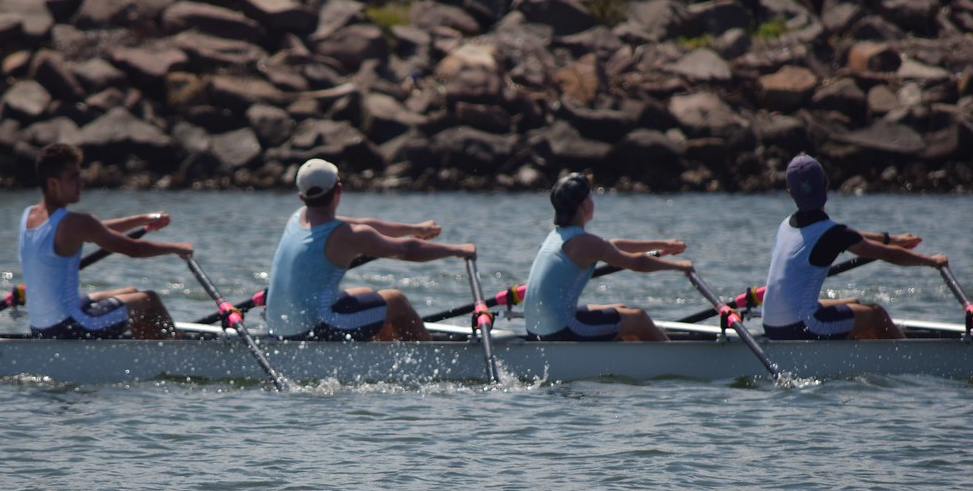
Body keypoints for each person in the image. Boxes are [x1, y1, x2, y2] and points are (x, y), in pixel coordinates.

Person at [266, 158, 476, 341]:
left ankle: (381, 352)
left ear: (302, 197)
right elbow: (407, 250)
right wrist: (458, 250)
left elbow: (361, 222)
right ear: (339, 189)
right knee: (397, 301)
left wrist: (415, 229)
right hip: (314, 329)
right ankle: (428, 362)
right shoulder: (347, 235)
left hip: (279, 326)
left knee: (366, 293)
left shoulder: (299, 217)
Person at [762, 153, 947, 340]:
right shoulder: (832, 233)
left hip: (771, 326)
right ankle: (911, 360)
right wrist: (932, 261)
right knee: (876, 314)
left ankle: (864, 353)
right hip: (802, 327)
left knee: (854, 303)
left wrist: (892, 239)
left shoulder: (786, 225)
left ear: (790, 192)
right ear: (826, 183)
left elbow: (847, 235)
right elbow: (886, 255)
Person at [19, 143, 193, 340]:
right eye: (74, 177)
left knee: (131, 292)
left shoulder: (29, 216)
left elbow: (97, 229)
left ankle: (144, 346)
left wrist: (143, 219)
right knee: (149, 300)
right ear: (53, 184)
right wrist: (178, 247)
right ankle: (170, 355)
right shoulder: (76, 223)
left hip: (41, 328)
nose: (81, 183)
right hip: (72, 328)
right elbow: (134, 249)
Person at [523, 172, 694, 342]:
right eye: (590, 197)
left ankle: (636, 363)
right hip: (561, 330)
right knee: (639, 318)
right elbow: (637, 263)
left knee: (621, 310)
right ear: (585, 205)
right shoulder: (585, 243)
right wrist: (680, 266)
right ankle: (672, 362)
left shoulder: (557, 236)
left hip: (537, 328)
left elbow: (612, 245)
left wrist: (664, 244)